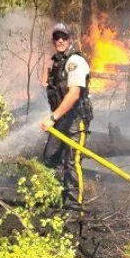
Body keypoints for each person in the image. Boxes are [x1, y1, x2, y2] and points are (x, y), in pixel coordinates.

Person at [40, 22, 92, 210]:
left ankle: (73, 209)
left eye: (64, 37)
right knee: (49, 158)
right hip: (61, 120)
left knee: (72, 163)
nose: (60, 40)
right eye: (56, 37)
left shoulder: (75, 62)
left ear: (70, 39)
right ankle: (53, 202)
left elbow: (74, 94)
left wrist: (52, 118)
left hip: (75, 121)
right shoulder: (57, 62)